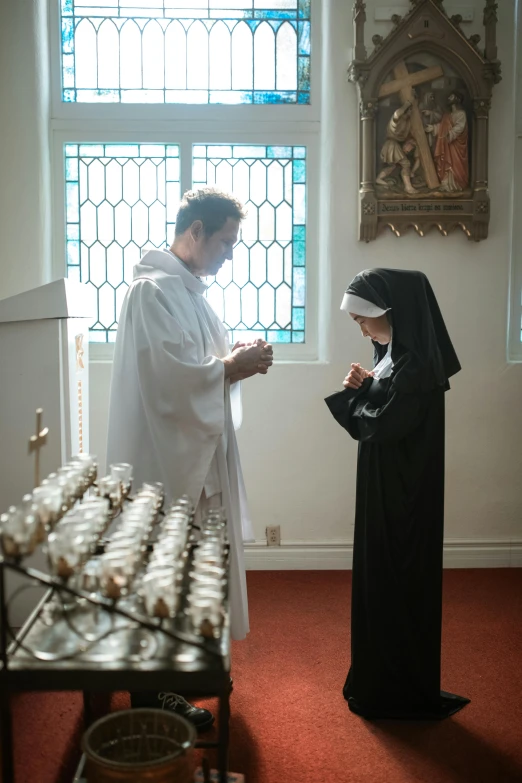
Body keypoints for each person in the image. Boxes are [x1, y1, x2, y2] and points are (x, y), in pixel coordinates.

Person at [106, 187, 273, 730]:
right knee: (163, 572)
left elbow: (199, 365)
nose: (229, 256)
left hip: (195, 458)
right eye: (225, 243)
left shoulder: (190, 292)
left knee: (190, 572)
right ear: (195, 231)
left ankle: (185, 676)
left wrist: (231, 360)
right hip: (163, 461)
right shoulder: (150, 292)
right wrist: (231, 367)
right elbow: (168, 381)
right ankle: (153, 700)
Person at [324, 269, 470, 720]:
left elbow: (381, 424)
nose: (362, 329)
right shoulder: (394, 356)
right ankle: (378, 678)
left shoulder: (419, 366)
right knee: (378, 581)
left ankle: (395, 689)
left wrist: (354, 398)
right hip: (385, 485)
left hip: (403, 499)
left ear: (392, 312)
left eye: (364, 319)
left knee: (395, 580)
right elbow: (383, 409)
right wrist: (365, 384)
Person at [426, 91, 469, 192]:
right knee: (445, 161)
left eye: (451, 96)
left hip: (455, 145)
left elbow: (460, 127)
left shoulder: (461, 113)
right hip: (447, 144)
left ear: (457, 99)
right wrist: (433, 128)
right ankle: (445, 183)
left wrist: (450, 133)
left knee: (454, 163)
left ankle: (455, 184)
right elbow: (442, 127)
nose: (449, 98)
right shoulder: (447, 115)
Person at [376, 100, 420, 194]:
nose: (411, 112)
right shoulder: (397, 120)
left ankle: (379, 179)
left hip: (393, 145)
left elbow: (408, 137)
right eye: (409, 110)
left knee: (392, 166)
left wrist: (411, 143)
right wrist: (407, 104)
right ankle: (408, 187)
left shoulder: (407, 123)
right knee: (406, 164)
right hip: (392, 144)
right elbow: (397, 113)